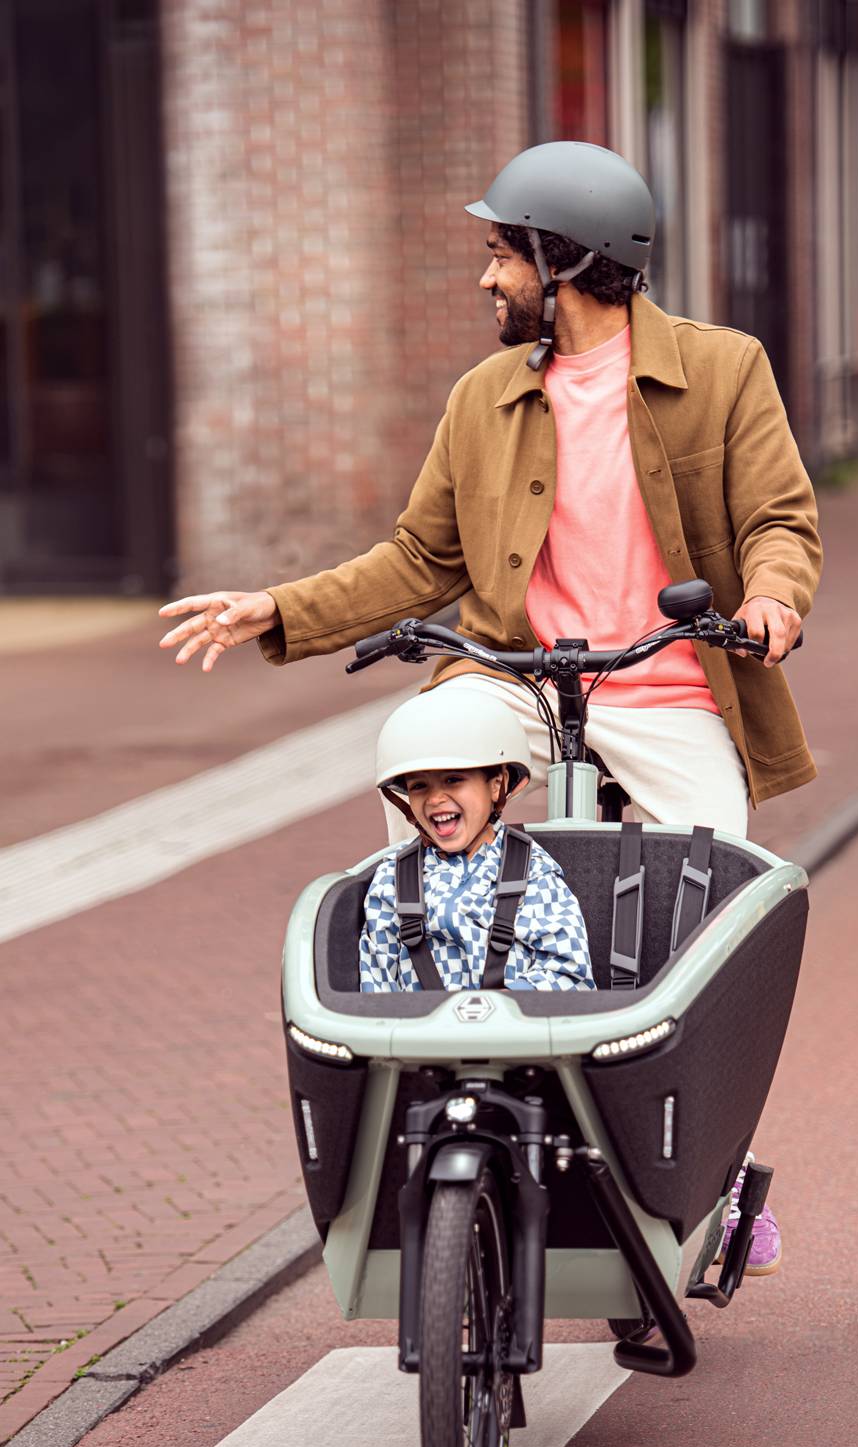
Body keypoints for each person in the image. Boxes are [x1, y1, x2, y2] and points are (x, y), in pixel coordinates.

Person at [159, 140, 823, 1273]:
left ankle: (705, 1178)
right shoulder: (483, 398)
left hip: (667, 679)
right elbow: (421, 557)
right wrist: (275, 609)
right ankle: (443, 1052)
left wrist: (770, 598)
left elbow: (778, 519)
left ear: (562, 262)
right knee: (420, 745)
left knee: (712, 907)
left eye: (499, 257)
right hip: (518, 678)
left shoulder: (721, 371)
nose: (485, 280)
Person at [360, 686, 594, 994]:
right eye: (419, 786)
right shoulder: (392, 879)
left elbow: (571, 976)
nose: (435, 798)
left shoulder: (531, 871)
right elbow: (376, 984)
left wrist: (494, 1014)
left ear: (496, 785)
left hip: (513, 1033)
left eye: (454, 780)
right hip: (419, 1036)